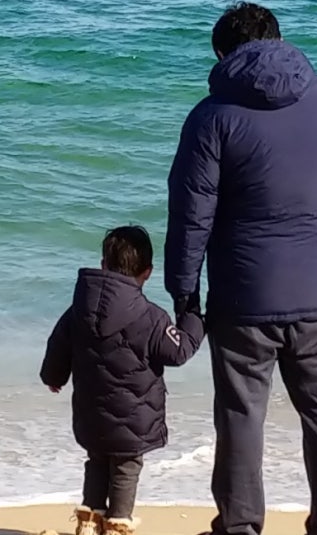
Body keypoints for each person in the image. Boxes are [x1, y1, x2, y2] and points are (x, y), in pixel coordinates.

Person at [165, 2, 317, 535]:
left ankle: (240, 526)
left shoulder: (211, 116)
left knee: (241, 413)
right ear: (280, 40)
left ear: (223, 55)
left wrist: (184, 292)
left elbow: (191, 214)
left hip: (243, 298)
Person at [41, 225, 204, 535]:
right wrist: (193, 315)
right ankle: (117, 525)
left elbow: (58, 344)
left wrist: (53, 376)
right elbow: (179, 351)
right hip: (135, 417)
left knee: (97, 461)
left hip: (91, 413)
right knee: (126, 468)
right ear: (148, 272)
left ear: (103, 265)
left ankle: (89, 522)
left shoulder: (78, 310)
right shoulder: (152, 318)